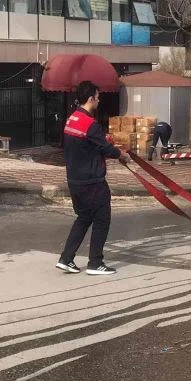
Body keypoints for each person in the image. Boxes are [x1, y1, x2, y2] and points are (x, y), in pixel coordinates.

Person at [56, 80, 129, 275]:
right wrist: (122, 155)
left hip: (74, 180)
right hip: (92, 182)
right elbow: (106, 149)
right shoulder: (91, 124)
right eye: (97, 97)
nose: (99, 100)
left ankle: (66, 258)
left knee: (83, 218)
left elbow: (88, 145)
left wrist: (103, 143)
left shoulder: (71, 120)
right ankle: (95, 263)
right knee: (102, 220)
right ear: (90, 98)